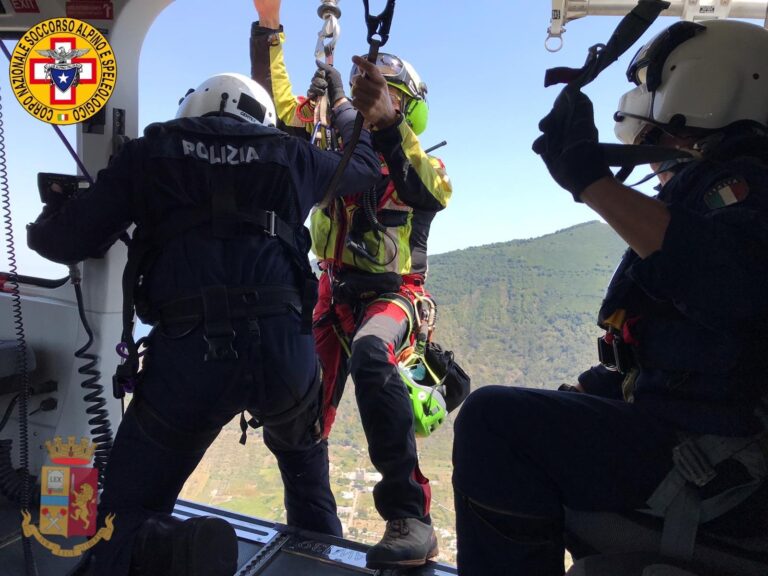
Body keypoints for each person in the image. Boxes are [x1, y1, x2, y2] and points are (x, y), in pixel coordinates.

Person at [28, 72, 380, 576]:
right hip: (286, 357)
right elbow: (364, 167)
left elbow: (64, 241)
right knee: (308, 486)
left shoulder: (151, 153)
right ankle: (322, 562)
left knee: (124, 511)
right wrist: (346, 107)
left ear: (197, 105)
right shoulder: (292, 153)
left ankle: (178, 548)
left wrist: (52, 213)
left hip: (190, 359)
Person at [452, 18, 768, 576]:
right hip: (703, 442)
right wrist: (594, 387)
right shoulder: (718, 187)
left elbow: (732, 286)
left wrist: (596, 186)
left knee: (491, 421)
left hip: (726, 461)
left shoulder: (749, 183)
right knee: (526, 411)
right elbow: (689, 343)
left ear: (703, 88)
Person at [251, 0, 453, 568]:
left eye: (382, 98)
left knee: (370, 353)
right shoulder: (336, 149)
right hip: (330, 293)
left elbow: (421, 192)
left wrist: (361, 111)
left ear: (402, 110)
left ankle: (410, 516)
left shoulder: (423, 167)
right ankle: (312, 524)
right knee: (294, 407)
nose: (368, 106)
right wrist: (270, 30)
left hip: (396, 295)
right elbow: (283, 108)